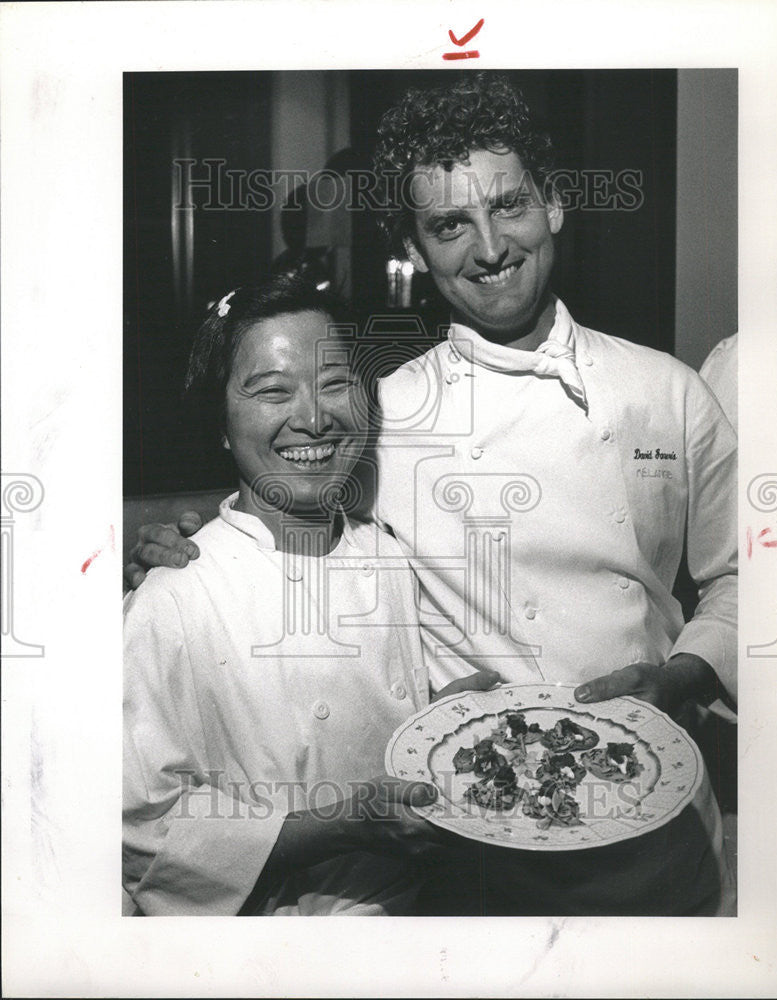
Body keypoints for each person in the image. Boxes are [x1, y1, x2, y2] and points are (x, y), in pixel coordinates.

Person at [128, 74, 737, 915]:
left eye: (510, 205)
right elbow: (295, 513)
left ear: (555, 205)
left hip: (655, 824)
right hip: (469, 854)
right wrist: (175, 549)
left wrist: (684, 673)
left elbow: (750, 578)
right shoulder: (384, 411)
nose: (489, 248)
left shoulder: (667, 392)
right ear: (415, 249)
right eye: (450, 224)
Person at [123, 274, 489, 916]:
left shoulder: (393, 554)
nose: (315, 419)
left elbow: (399, 717)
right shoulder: (175, 595)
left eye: (335, 384)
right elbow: (138, 827)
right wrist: (341, 825)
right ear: (221, 424)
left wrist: (460, 720)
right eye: (272, 392)